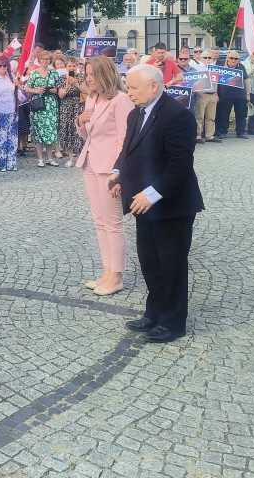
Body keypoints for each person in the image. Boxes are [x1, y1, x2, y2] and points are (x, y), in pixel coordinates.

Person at [108, 65, 204, 344]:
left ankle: (173, 323)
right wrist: (118, 174)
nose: (129, 92)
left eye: (134, 87)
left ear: (153, 86)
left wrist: (151, 194)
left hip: (172, 206)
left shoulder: (178, 116)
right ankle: (154, 313)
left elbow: (180, 166)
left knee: (171, 264)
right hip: (144, 205)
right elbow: (128, 149)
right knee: (150, 263)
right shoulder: (136, 112)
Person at [76, 55, 132, 296]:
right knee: (99, 221)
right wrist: (79, 121)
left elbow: (125, 140)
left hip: (110, 168)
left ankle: (116, 276)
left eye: (92, 75)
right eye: (86, 75)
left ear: (105, 75)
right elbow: (86, 135)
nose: (88, 79)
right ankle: (107, 271)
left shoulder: (121, 101)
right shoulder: (92, 98)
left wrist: (119, 173)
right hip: (90, 162)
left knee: (113, 223)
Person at [24, 50, 60, 167]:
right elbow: (27, 88)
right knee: (38, 130)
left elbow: (59, 88)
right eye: (43, 59)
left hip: (50, 104)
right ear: (39, 60)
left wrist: (55, 90)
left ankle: (49, 158)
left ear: (50, 61)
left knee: (50, 131)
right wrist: (36, 91)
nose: (45, 61)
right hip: (38, 104)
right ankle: (40, 158)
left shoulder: (54, 74)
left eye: (47, 59)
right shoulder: (34, 73)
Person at [214, 50, 250, 139]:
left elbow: (246, 80)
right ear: (227, 58)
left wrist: (248, 93)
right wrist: (216, 94)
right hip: (225, 94)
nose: (233, 60)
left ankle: (240, 132)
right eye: (231, 58)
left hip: (240, 95)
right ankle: (223, 131)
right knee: (224, 114)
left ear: (239, 59)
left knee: (241, 114)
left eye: (235, 58)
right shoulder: (221, 67)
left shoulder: (241, 67)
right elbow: (215, 82)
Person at [57, 61, 85, 167]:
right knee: (68, 131)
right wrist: (68, 85)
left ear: (77, 67)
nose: (72, 68)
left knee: (80, 131)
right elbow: (61, 95)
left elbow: (86, 91)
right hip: (66, 107)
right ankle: (70, 159)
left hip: (79, 106)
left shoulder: (81, 77)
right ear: (66, 67)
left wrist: (76, 84)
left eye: (74, 66)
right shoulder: (62, 78)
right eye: (69, 66)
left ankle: (82, 157)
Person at [192, 50, 218, 143]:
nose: (207, 59)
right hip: (202, 94)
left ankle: (209, 135)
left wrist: (216, 94)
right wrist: (198, 91)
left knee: (211, 117)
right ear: (200, 58)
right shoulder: (197, 68)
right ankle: (198, 135)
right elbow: (194, 81)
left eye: (209, 57)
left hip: (212, 94)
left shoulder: (214, 68)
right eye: (205, 57)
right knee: (199, 116)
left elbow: (217, 82)